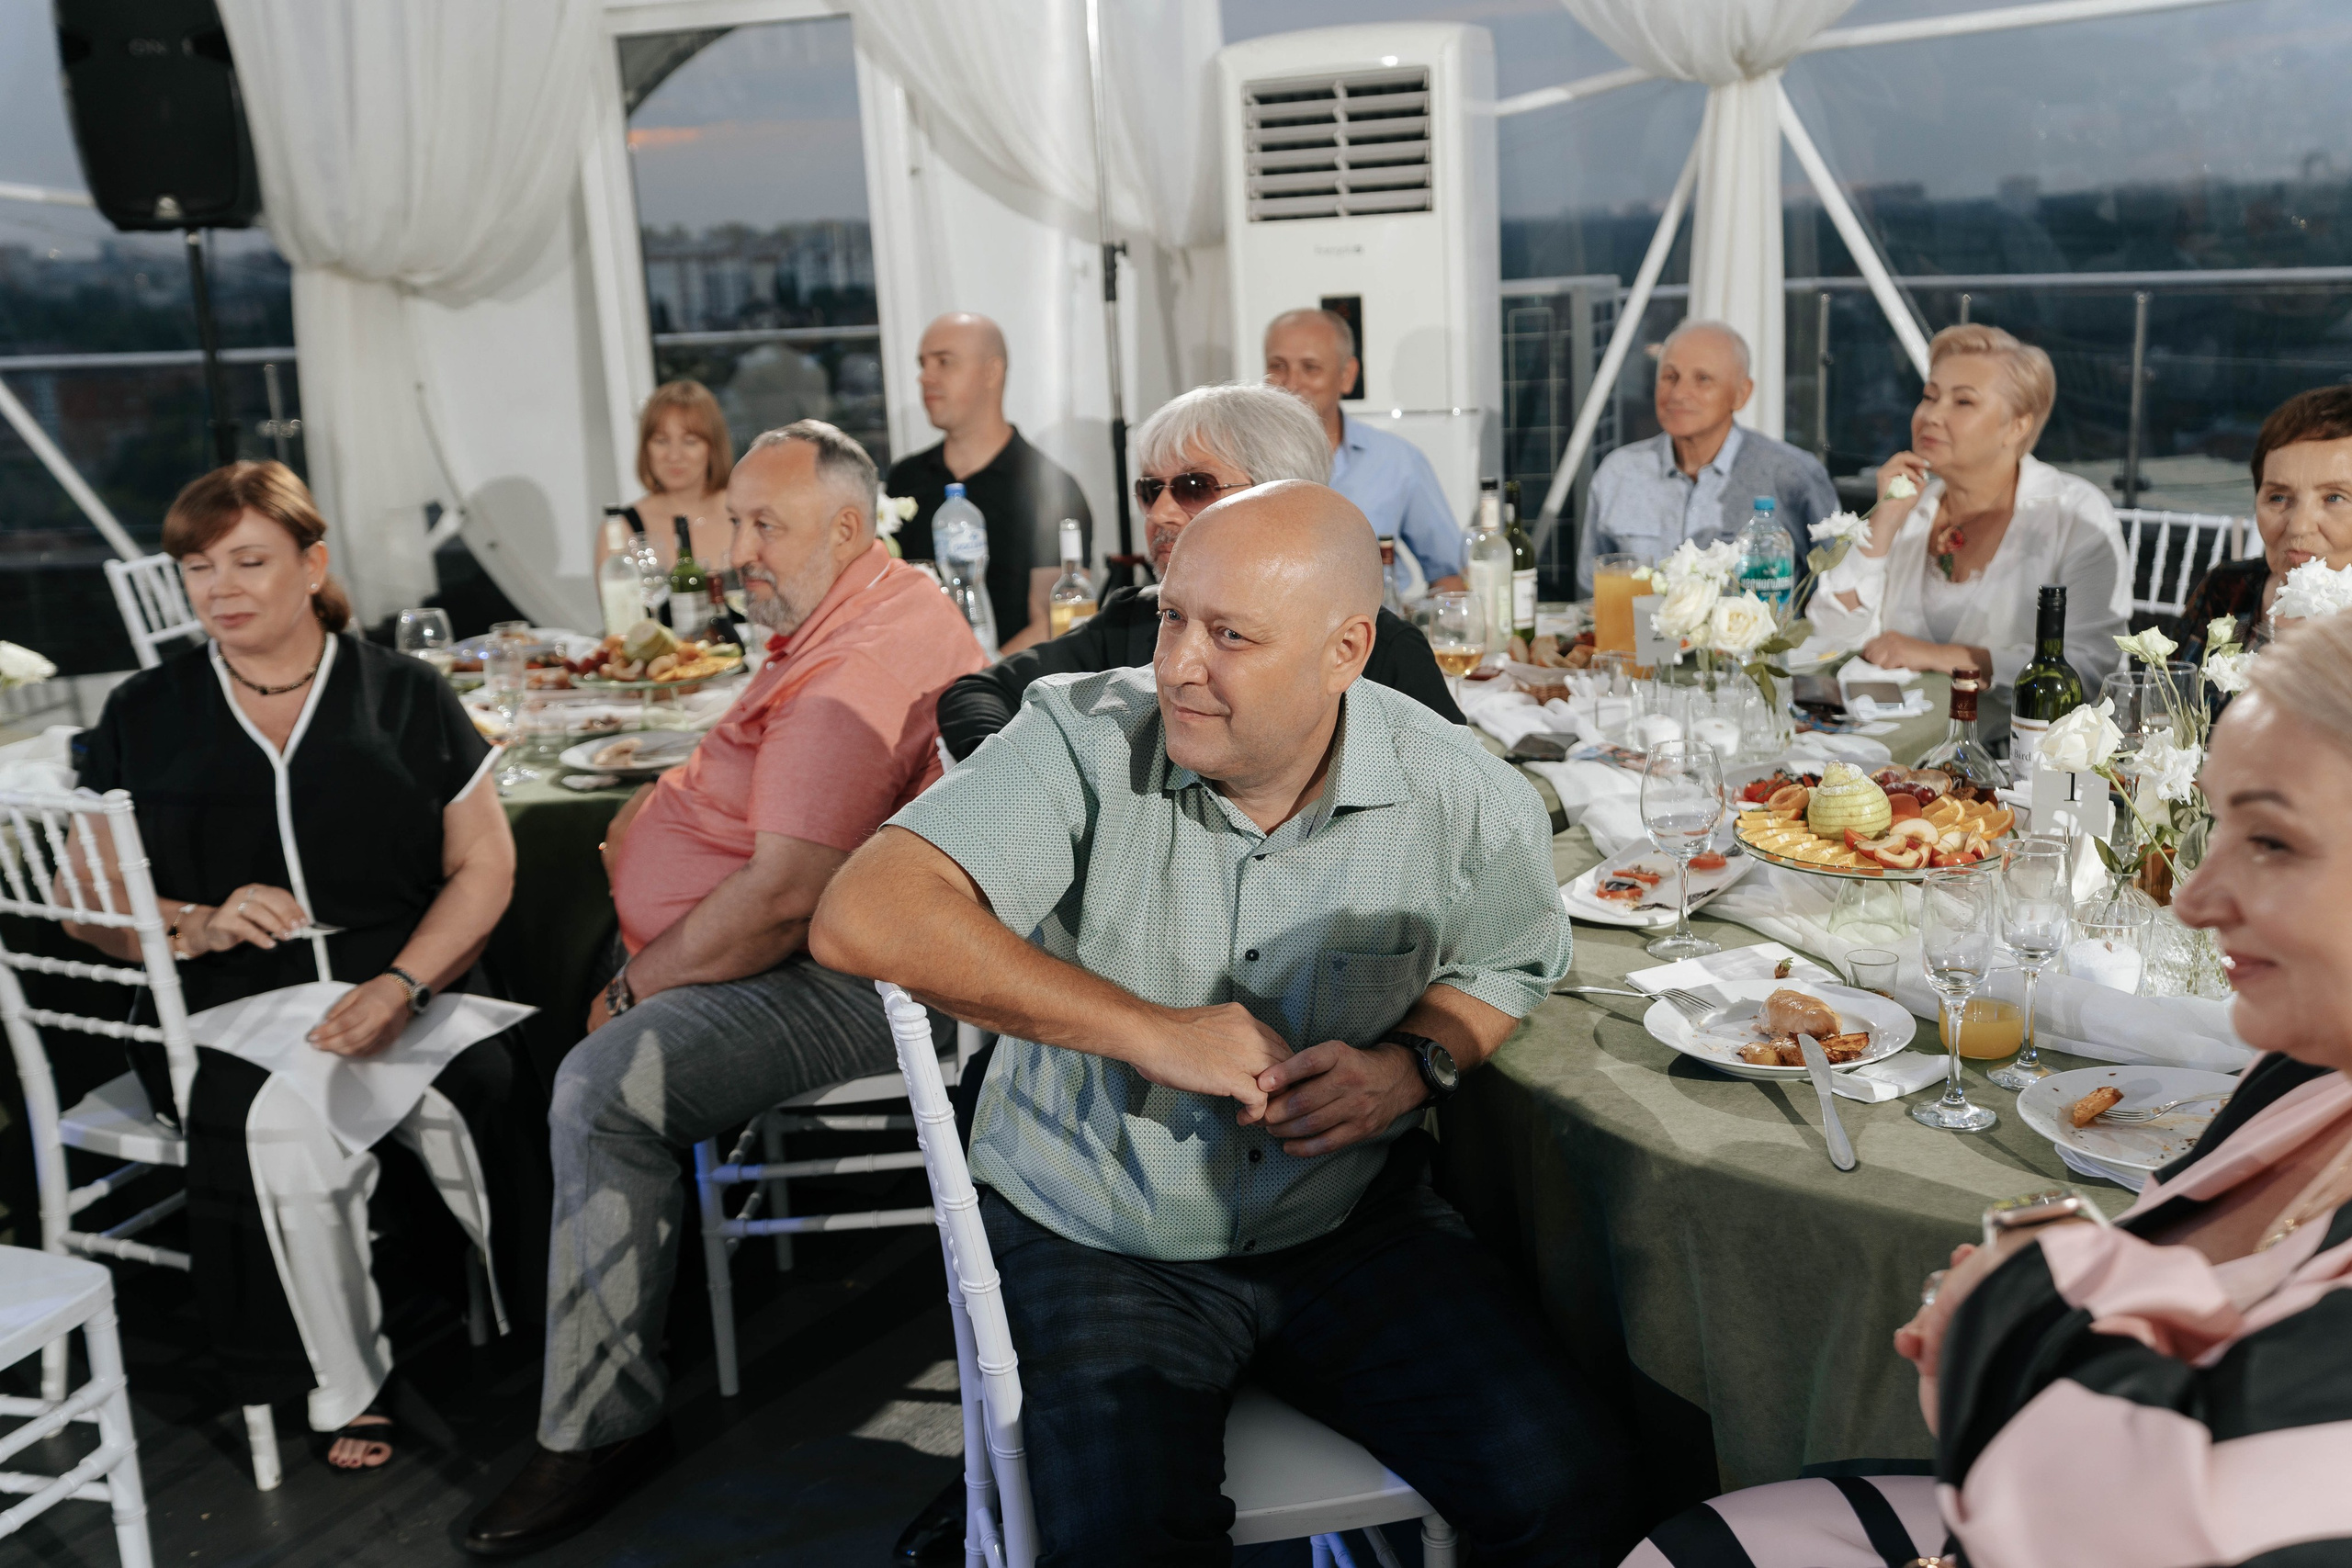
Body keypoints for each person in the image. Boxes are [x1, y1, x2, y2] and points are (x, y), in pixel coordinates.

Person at [811, 482, 1639, 1567]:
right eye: (1170, 617)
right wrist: (1152, 1030)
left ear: (1346, 651)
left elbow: (1513, 958)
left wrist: (1413, 1062)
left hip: (1346, 1229)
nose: (1176, 665)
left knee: (1577, 1494)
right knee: (1119, 1539)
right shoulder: (1082, 736)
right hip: (1100, 1225)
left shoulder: (1458, 790)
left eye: (1229, 635)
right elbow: (862, 915)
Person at [1619, 607, 2352, 1568]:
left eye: (2270, 843)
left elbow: (2179, 1518)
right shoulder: (2303, 1065)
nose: (2194, 897)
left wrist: (2009, 1301)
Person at [461, 420, 982, 1557]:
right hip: (782, 941)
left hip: (851, 976)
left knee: (602, 1075)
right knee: (532, 1003)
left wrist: (640, 985)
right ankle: (580, 1315)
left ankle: (596, 1427)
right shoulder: (852, 603)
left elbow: (787, 897)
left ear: (847, 529)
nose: (736, 547)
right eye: (734, 520)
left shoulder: (857, 666)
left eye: (764, 525)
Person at [66, 460, 544, 1475]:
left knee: (493, 1096)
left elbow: (484, 865)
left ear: (310, 563)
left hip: (406, 979)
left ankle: (550, 1335)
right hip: (233, 1001)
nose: (221, 588)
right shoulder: (146, 710)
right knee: (280, 1123)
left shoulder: (405, 693)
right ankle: (343, 1383)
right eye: (198, 568)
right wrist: (193, 918)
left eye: (249, 560)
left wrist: (405, 985)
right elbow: (90, 899)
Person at [934, 382, 1462, 761]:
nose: (1161, 513)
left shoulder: (1377, 646)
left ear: (1280, 494)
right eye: (1150, 489)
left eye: (1192, 488)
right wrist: (1029, 779)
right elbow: (976, 694)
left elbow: (1460, 797)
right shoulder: (1136, 620)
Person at [1812, 323, 2132, 695]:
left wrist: (1943, 656)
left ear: (2017, 425)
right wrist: (1883, 522)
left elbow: (2092, 667)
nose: (1932, 415)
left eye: (1962, 402)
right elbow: (1831, 636)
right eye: (1929, 396)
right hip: (1895, 738)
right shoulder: (1913, 508)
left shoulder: (2076, 514)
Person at [1575, 319, 1837, 594]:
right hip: (1635, 638)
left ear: (1741, 394)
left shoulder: (1792, 474)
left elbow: (1834, 596)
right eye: (1670, 377)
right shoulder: (1618, 472)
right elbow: (1591, 597)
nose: (1679, 394)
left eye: (1702, 379)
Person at [883, 312, 1094, 653]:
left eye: (944, 362)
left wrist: (978, 681)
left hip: (1009, 692)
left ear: (991, 372)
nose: (925, 377)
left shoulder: (1049, 488)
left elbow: (1055, 619)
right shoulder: (904, 479)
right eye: (922, 364)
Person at [1263, 307, 1466, 591]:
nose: (1292, 383)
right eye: (1277, 366)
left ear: (1347, 375)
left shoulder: (1397, 461)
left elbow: (1451, 574)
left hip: (1379, 628)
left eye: (1310, 368)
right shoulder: (1238, 460)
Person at [2168, 383, 2352, 667]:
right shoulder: (2228, 590)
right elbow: (2159, 700)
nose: (2299, 527)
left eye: (2334, 498)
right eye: (2278, 497)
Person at [596, 379, 735, 573]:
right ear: (646, 448)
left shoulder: (748, 513)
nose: (674, 455)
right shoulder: (620, 531)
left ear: (713, 447)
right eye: (661, 441)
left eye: (690, 441)